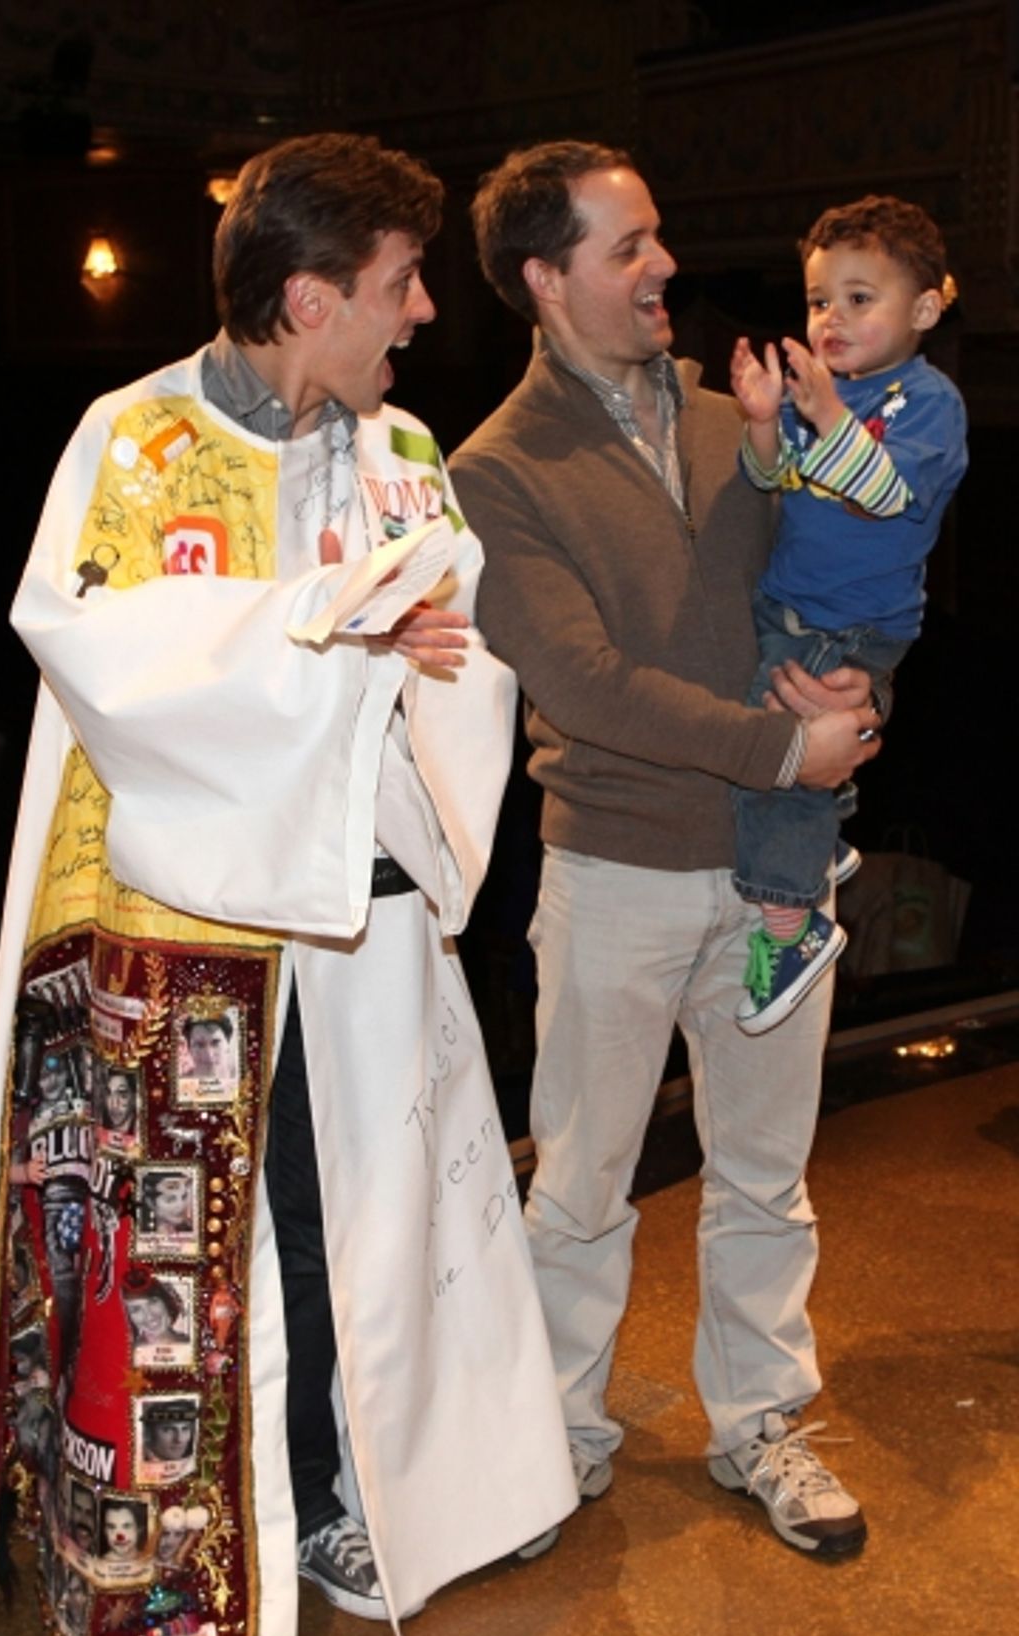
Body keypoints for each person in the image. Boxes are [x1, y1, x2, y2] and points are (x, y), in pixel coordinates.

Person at [0, 132, 575, 1636]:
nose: (418, 322)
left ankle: (351, 1498)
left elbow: (456, 646)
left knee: (347, 1233)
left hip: (350, 919)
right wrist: (315, 623)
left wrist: (405, 659)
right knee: (157, 1264)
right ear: (310, 296)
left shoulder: (401, 449)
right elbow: (92, 646)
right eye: (395, 290)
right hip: (167, 923)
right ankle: (149, 1593)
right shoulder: (130, 442)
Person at [451, 141, 882, 1563]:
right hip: (620, 871)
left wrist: (847, 694)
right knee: (579, 1184)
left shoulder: (730, 420)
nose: (664, 268)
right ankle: (555, 1436)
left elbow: (837, 582)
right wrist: (784, 750)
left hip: (778, 864)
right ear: (544, 276)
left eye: (658, 239)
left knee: (767, 1166)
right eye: (629, 247)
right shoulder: (496, 471)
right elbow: (582, 682)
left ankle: (761, 1419)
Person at [728, 193, 968, 1033]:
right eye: (820, 299)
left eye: (860, 299)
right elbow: (772, 484)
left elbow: (887, 495)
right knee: (770, 746)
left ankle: (789, 931)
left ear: (926, 308)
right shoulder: (818, 398)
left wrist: (824, 411)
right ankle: (815, 847)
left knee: (782, 752)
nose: (832, 317)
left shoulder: (927, 403)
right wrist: (764, 425)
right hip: (794, 605)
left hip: (852, 624)